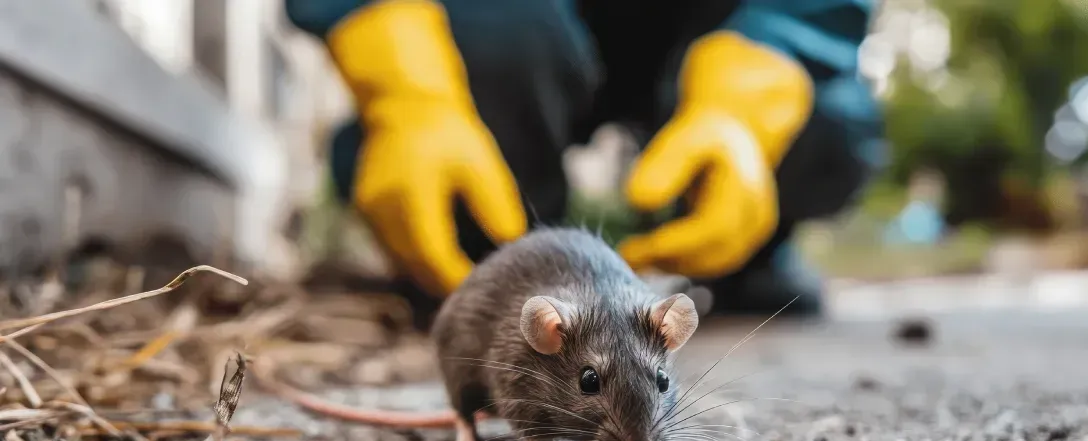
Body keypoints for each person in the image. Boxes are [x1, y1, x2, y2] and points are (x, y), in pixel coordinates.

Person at [284, 0, 883, 321]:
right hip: (504, 24)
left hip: (710, 17)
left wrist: (747, 106)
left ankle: (743, 246)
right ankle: (477, 261)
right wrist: (405, 92)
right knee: (490, 42)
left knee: (826, 120)